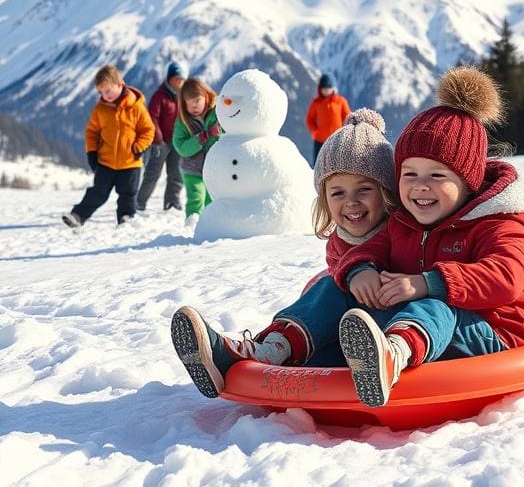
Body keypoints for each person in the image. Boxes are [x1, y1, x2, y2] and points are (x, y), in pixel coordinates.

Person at [332, 66, 524, 407]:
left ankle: (391, 357)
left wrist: (428, 283)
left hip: (496, 335)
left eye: (436, 175)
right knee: (334, 288)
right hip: (423, 325)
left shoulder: (500, 222)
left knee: (436, 304)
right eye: (410, 173)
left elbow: (506, 277)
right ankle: (276, 346)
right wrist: (361, 271)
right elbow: (371, 247)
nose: (420, 185)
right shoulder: (406, 221)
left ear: (468, 182)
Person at [171, 109, 398, 397]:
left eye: (364, 189)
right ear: (325, 200)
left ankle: (280, 351)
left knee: (330, 286)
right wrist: (354, 271)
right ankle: (261, 351)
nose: (351, 202)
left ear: (387, 193)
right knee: (327, 289)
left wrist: (366, 272)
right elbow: (342, 265)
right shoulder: (339, 240)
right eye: (338, 193)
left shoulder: (401, 231)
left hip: (392, 333)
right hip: (348, 341)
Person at [62, 64, 154, 228]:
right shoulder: (100, 109)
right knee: (98, 193)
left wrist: (139, 147)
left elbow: (148, 130)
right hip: (106, 162)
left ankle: (126, 219)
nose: (105, 95)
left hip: (130, 162)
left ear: (120, 84)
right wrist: (92, 152)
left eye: (108, 91)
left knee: (127, 194)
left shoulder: (136, 107)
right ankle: (77, 216)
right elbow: (91, 132)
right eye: (101, 92)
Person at [171, 78, 222, 229]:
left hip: (213, 166)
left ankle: (210, 224)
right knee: (196, 196)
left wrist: (218, 132)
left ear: (206, 96)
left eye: (197, 101)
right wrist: (199, 139)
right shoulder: (183, 122)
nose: (193, 106)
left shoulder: (217, 113)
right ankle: (191, 221)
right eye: (189, 103)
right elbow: (180, 146)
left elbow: (228, 128)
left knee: (210, 198)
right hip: (192, 168)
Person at [136, 61, 186, 213]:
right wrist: (158, 140)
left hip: (178, 141)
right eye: (176, 78)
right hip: (161, 142)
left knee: (177, 172)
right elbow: (152, 118)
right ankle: (139, 203)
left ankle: (172, 202)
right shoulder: (160, 96)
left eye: (181, 78)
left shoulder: (184, 96)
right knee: (153, 173)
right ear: (169, 78)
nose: (179, 81)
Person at [306, 73, 351, 165]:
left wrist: (345, 133)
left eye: (328, 88)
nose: (326, 91)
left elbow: (348, 118)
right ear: (320, 89)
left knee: (338, 164)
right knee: (319, 165)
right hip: (320, 140)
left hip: (337, 139)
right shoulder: (316, 103)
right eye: (324, 89)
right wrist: (315, 132)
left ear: (332, 88)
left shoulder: (340, 101)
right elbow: (309, 119)